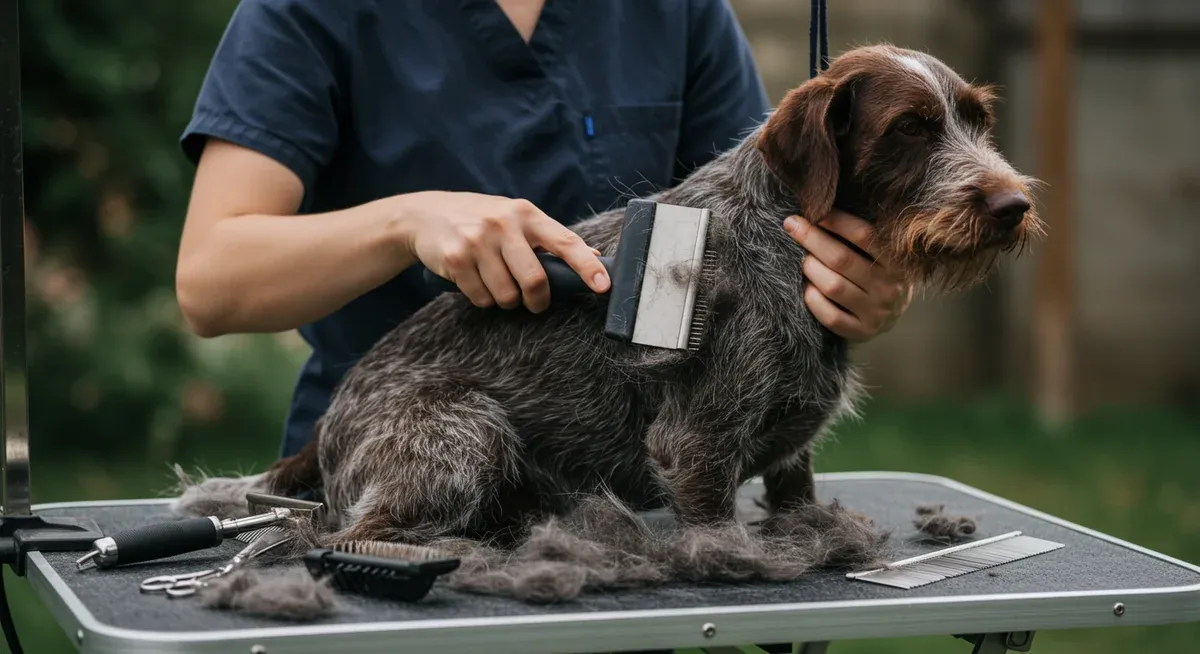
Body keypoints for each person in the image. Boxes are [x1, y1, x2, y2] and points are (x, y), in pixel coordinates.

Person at [175, 0, 913, 459]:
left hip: (629, 503)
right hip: (393, 477)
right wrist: (403, 221)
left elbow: (774, 227)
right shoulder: (307, 11)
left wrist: (858, 285)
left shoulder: (679, 11)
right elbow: (212, 281)